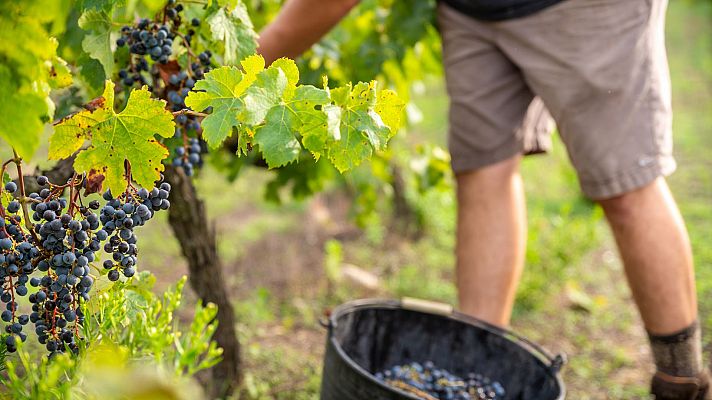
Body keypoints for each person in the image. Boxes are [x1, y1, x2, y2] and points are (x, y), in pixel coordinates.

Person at [257, 0, 709, 398]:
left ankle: (682, 384)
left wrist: (252, 71)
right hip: (473, 10)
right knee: (482, 172)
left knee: (626, 184)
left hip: (585, 8)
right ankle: (474, 372)